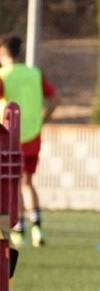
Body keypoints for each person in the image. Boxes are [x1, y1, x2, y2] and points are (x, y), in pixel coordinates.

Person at [0, 35, 59, 252]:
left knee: (12, 185)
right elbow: (55, 97)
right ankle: (37, 230)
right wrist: (43, 118)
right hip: (33, 135)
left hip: (10, 136)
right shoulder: (34, 73)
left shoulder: (4, 75)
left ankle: (19, 230)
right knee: (27, 183)